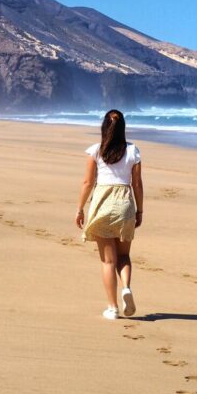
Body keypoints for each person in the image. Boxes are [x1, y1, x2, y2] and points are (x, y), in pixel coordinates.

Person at [75, 109, 144, 320]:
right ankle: (127, 289)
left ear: (104, 127)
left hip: (103, 203)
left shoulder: (95, 151)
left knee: (108, 261)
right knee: (123, 256)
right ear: (123, 128)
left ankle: (113, 308)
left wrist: (79, 208)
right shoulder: (133, 151)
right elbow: (137, 184)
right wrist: (139, 210)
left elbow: (88, 183)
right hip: (124, 203)